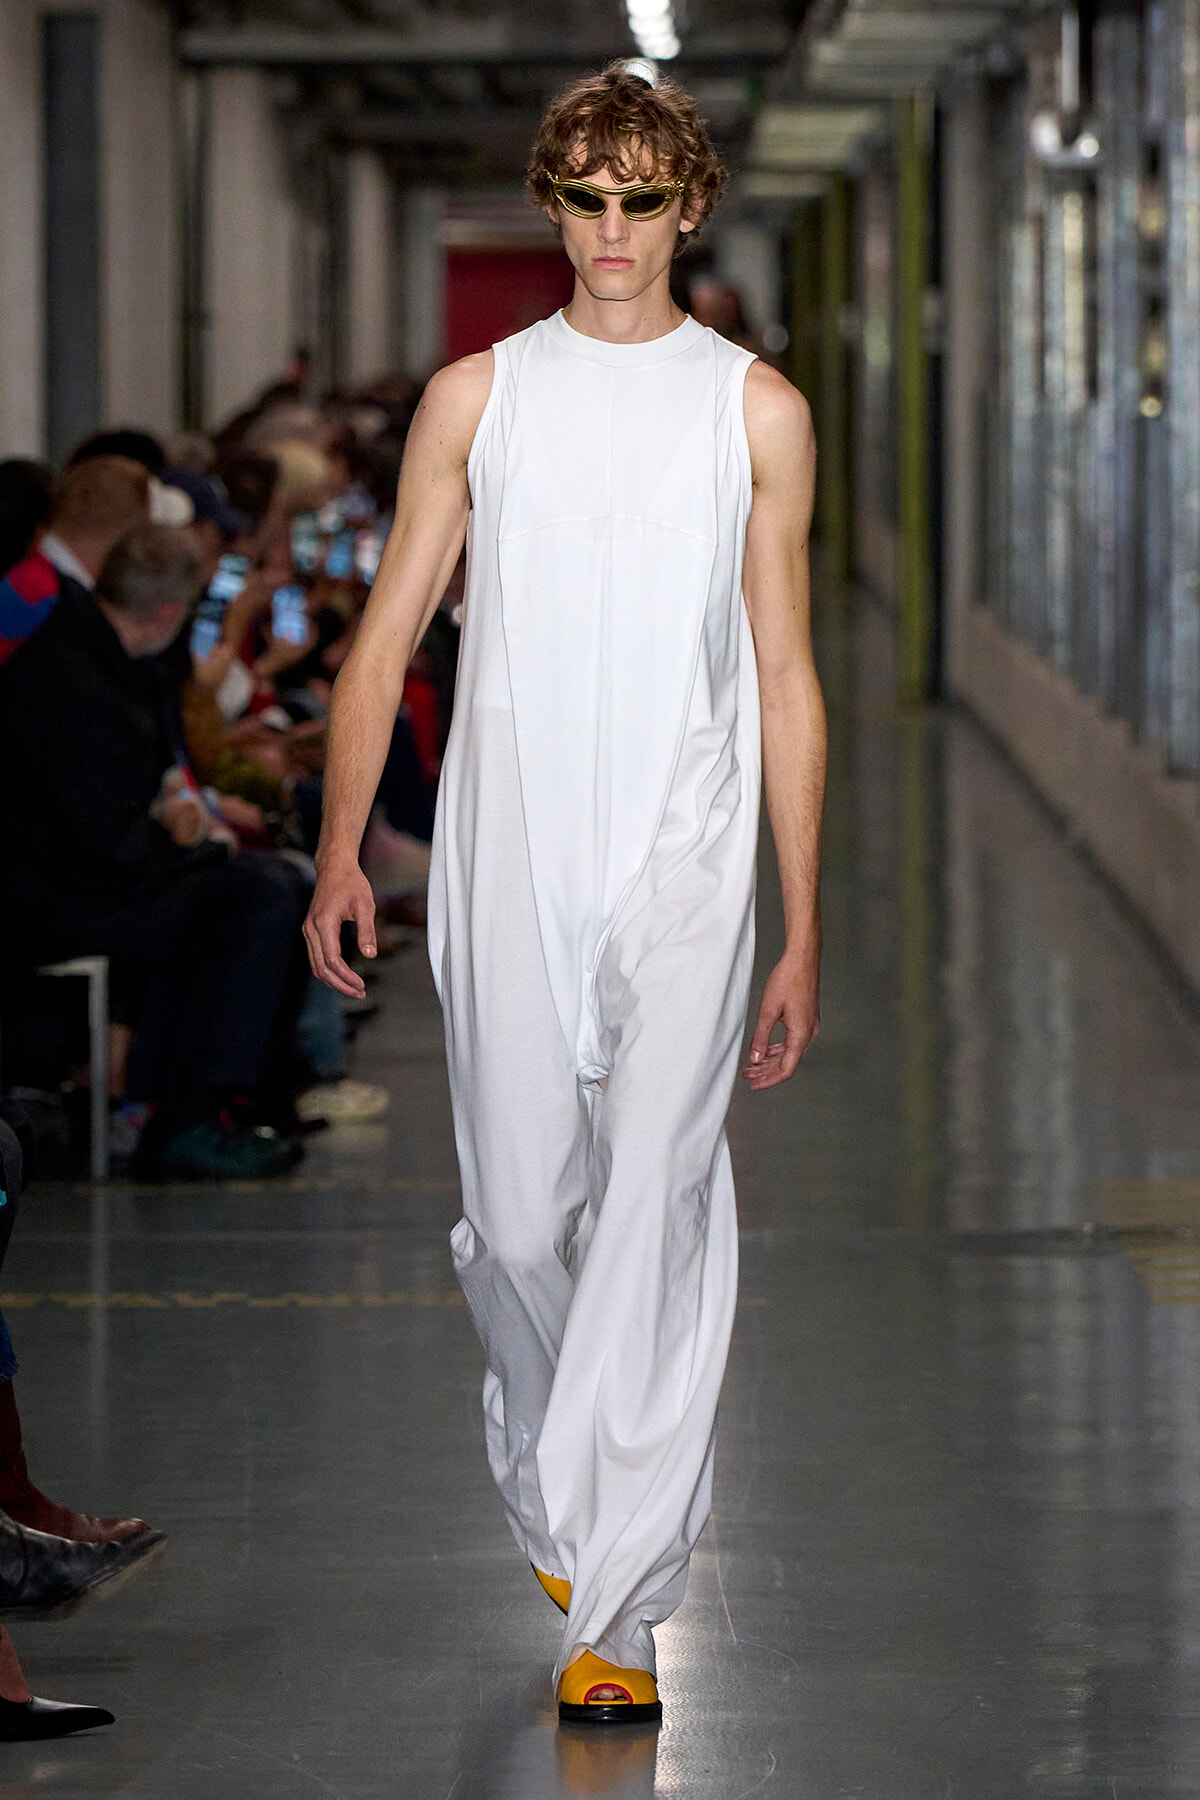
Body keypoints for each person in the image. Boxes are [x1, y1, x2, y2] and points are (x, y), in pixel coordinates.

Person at [305, 62, 825, 1724]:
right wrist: (332, 851)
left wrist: (799, 920)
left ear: (688, 207)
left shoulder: (756, 410)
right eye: (586, 199)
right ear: (553, 202)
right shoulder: (478, 399)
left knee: (656, 1215)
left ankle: (616, 1593)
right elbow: (386, 636)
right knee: (523, 1226)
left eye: (642, 201)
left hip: (685, 852)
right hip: (507, 848)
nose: (613, 233)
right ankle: (557, 1492)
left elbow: (787, 670)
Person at [0, 525, 311, 1180]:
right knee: (256, 898)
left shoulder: (113, 662)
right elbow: (94, 841)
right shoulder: (73, 682)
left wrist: (182, 826)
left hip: (87, 872)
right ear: (171, 611)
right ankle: (192, 1113)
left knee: (274, 884)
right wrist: (181, 838)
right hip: (50, 897)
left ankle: (224, 1092)